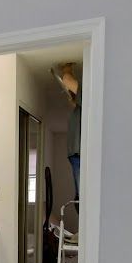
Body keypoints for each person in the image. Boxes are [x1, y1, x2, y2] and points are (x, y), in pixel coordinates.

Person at [51, 62, 81, 241]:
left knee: (82, 196)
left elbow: (68, 80)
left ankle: (84, 230)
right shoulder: (80, 109)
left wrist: (66, 70)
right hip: (75, 154)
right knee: (79, 195)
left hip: (79, 154)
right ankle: (83, 229)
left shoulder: (88, 99)